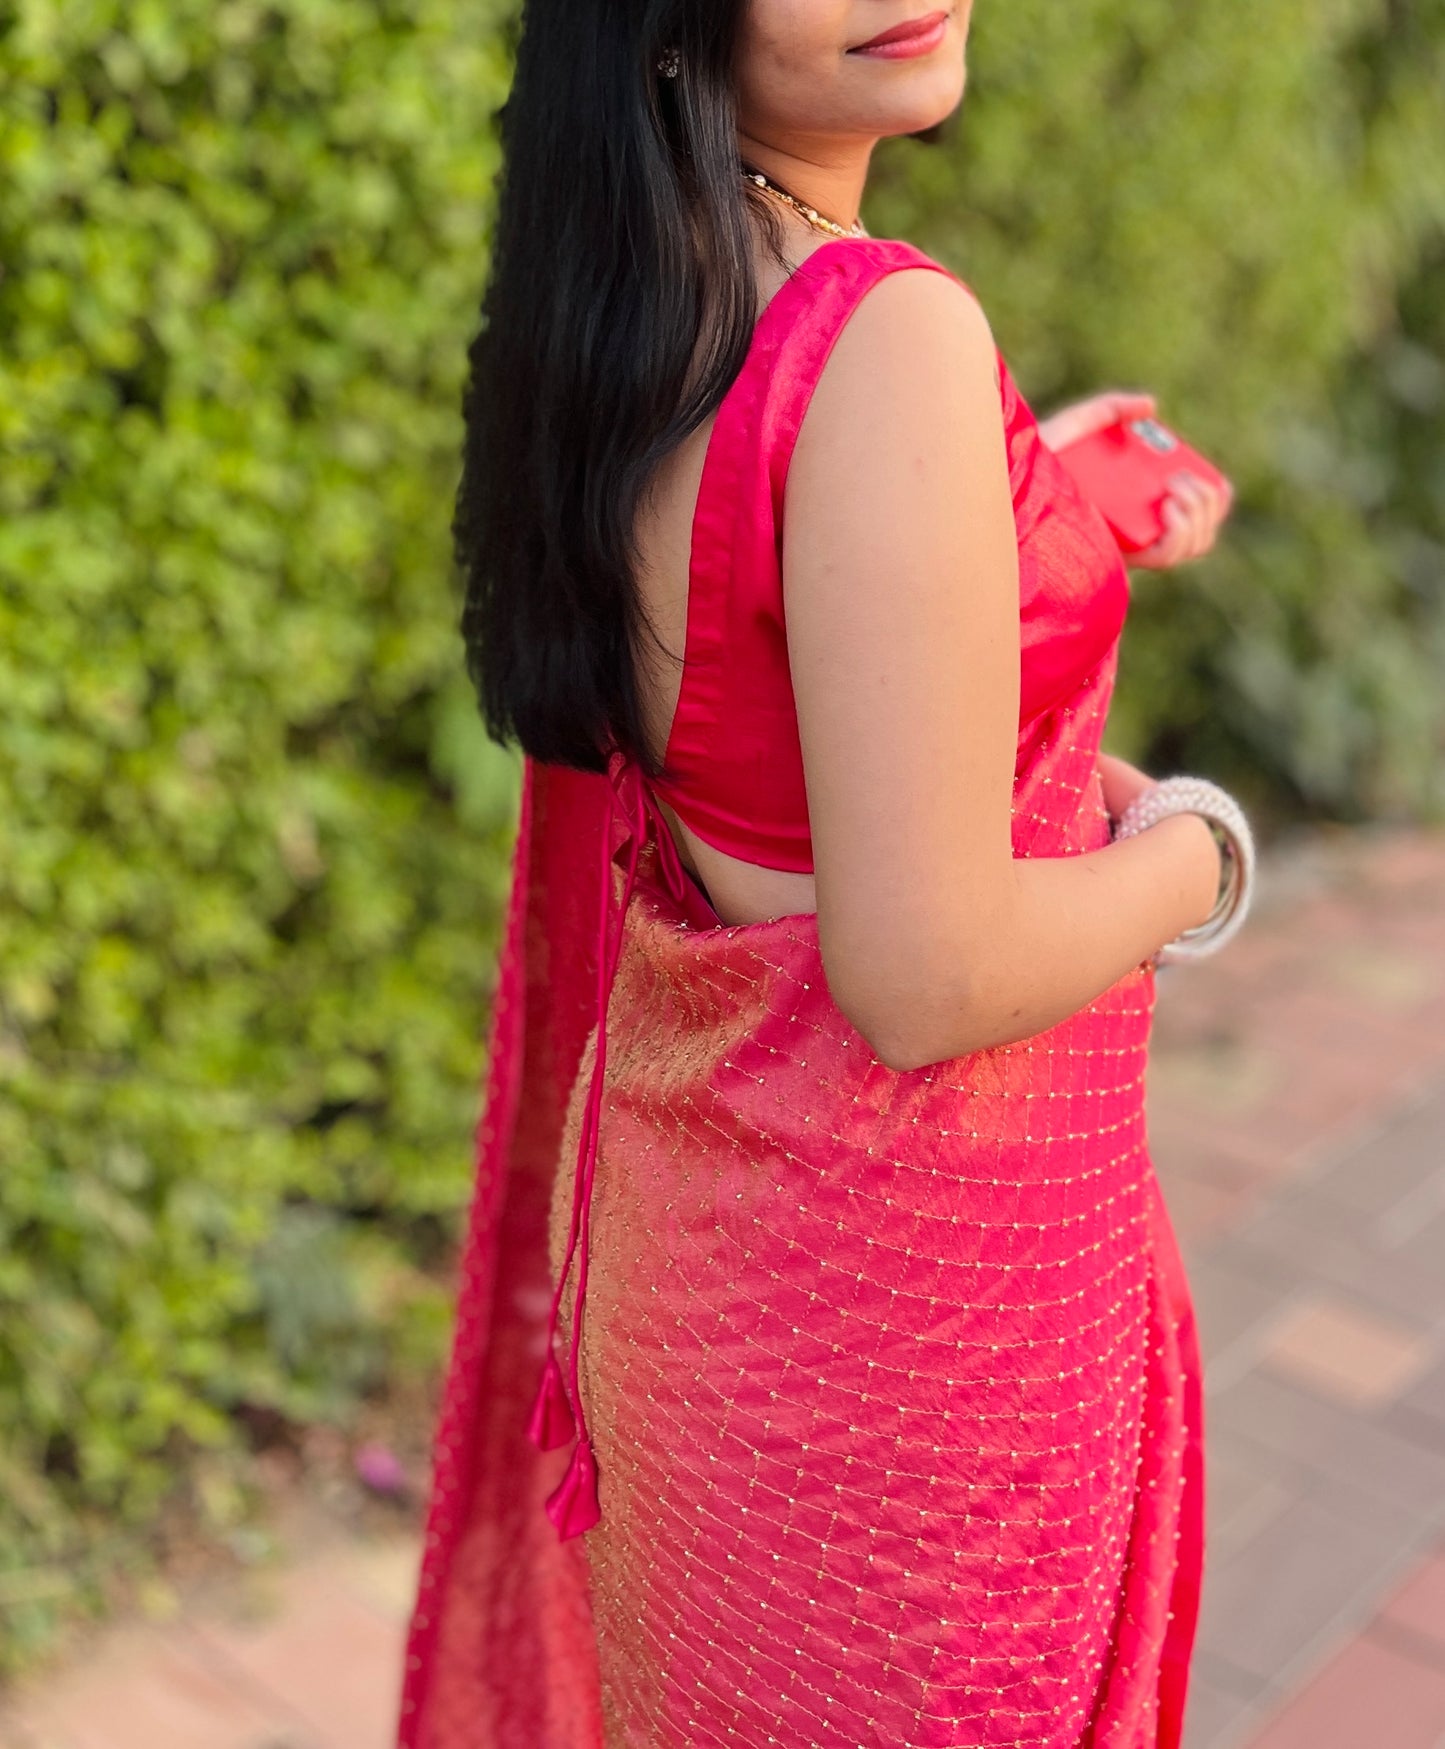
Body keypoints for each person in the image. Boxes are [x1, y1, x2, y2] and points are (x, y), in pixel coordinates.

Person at [397, 3, 1251, 1745]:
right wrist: (1198, 853)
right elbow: (923, 966)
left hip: (711, 1286)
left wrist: (1022, 506)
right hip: (902, 1344)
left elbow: (771, 701)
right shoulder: (882, 339)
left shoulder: (640, 295)